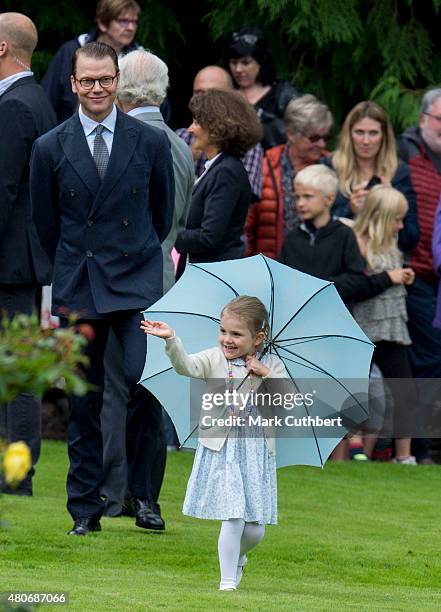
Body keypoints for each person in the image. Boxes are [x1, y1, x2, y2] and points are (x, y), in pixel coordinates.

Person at [30, 42, 174, 535]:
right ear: (72, 83)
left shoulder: (150, 141)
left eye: (105, 79)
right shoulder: (49, 145)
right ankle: (85, 510)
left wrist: (133, 255)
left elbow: (161, 214)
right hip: (79, 284)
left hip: (137, 282)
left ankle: (144, 498)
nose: (96, 88)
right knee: (84, 400)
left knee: (144, 382)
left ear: (118, 81)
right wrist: (71, 268)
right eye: (87, 80)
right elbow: (46, 225)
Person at [98, 49, 194, 520]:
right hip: (166, 277)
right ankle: (146, 494)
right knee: (153, 390)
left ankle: (114, 493)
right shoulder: (181, 146)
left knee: (116, 387)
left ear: (121, 86)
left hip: (125, 278)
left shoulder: (124, 139)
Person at [141, 295, 288, 591]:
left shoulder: (271, 364)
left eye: (236, 334)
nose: (227, 339)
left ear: (258, 337)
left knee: (255, 530)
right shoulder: (213, 358)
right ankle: (227, 582)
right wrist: (172, 340)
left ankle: (239, 558)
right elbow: (187, 367)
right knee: (233, 517)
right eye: (223, 331)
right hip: (223, 450)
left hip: (255, 451)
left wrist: (267, 375)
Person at [0, 12, 57, 496]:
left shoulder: (16, 105)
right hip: (19, 261)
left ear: (2, 48)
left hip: (9, 264)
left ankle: (16, 472)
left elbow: (3, 190)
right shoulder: (34, 99)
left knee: (15, 367)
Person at [279, 165, 411, 310]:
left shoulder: (345, 234)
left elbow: (356, 279)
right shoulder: (292, 239)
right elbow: (284, 280)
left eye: (307, 197)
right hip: (300, 317)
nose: (300, 203)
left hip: (336, 317)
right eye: (297, 197)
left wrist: (316, 287)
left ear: (329, 199)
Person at [351, 186, 416, 463]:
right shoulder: (358, 243)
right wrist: (391, 277)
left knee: (405, 391)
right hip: (362, 328)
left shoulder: (393, 243)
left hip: (391, 328)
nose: (401, 225)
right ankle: (353, 453)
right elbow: (357, 285)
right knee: (355, 392)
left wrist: (403, 276)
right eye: (396, 219)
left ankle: (404, 456)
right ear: (380, 217)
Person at [40, 0, 174, 124]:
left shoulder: (140, 62)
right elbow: (47, 100)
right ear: (103, 23)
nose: (130, 28)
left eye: (134, 22)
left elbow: (159, 105)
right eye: (123, 21)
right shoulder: (71, 52)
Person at [399, 88, 441, 463]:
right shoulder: (407, 153)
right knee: (426, 361)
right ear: (424, 118)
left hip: (435, 275)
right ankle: (418, 447)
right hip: (416, 273)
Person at [175, 88, 262, 264]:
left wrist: (167, 234)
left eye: (197, 122)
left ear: (216, 127)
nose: (191, 129)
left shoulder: (226, 172)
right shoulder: (219, 166)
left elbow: (209, 237)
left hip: (213, 276)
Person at [246, 94, 333, 259]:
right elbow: (247, 228)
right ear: (291, 134)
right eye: (314, 138)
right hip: (273, 267)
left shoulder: (331, 167)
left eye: (325, 138)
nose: (321, 145)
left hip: (322, 268)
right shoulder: (264, 168)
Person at [326, 101, 419, 253]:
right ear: (349, 134)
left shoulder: (398, 172)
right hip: (338, 258)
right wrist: (350, 208)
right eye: (359, 132)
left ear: (384, 136)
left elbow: (411, 238)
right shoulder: (331, 166)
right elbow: (317, 224)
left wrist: (390, 204)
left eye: (373, 133)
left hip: (384, 262)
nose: (366, 141)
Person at [176, 65, 263, 202]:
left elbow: (244, 200)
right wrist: (188, 158)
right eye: (198, 93)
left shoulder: (246, 143)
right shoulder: (179, 138)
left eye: (212, 94)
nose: (203, 100)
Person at [224, 27, 300, 149]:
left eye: (246, 62)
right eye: (233, 62)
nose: (238, 69)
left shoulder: (283, 95)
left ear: (261, 62)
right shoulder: (225, 93)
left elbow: (301, 133)